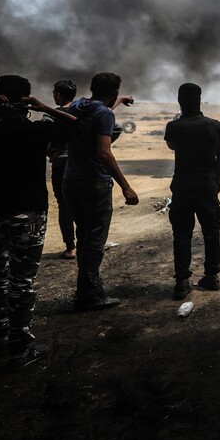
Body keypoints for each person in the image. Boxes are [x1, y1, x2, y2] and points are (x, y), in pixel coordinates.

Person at [0, 75, 80, 370]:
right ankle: (19, 349)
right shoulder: (36, 130)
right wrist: (44, 107)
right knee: (22, 281)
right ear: (26, 101)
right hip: (28, 214)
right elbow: (77, 127)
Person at [63, 72, 139, 312]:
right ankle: (89, 294)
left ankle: (86, 289)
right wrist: (125, 186)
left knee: (84, 236)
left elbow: (100, 111)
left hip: (71, 180)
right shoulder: (104, 114)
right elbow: (104, 153)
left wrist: (120, 100)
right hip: (94, 183)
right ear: (114, 91)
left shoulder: (76, 106)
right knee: (95, 240)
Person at [164, 83, 220, 300]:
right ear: (200, 99)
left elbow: (172, 146)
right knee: (211, 231)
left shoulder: (174, 126)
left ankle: (181, 282)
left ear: (180, 101)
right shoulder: (214, 125)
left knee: (181, 234)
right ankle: (211, 276)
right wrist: (216, 182)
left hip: (182, 186)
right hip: (207, 185)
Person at [47, 79, 78, 259]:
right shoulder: (83, 112)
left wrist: (51, 151)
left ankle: (70, 247)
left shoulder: (51, 115)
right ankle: (88, 243)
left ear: (58, 94)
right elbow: (115, 129)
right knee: (85, 204)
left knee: (64, 206)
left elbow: (44, 137)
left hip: (61, 166)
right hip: (82, 165)